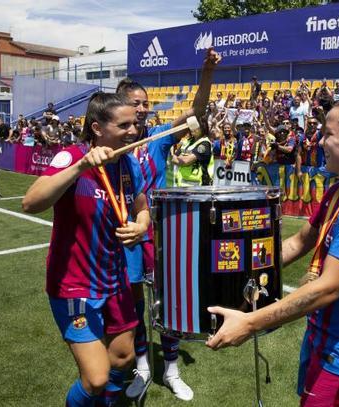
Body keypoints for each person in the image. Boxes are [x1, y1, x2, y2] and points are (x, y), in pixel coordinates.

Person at [206, 97, 339, 406]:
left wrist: (249, 322)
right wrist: (232, 269)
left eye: (329, 134)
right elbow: (297, 243)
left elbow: (327, 288)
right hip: (324, 342)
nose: (320, 140)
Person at [22, 93, 150, 407]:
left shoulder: (128, 163)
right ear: (97, 128)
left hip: (115, 280)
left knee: (123, 357)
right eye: (124, 125)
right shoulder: (71, 156)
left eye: (135, 123)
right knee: (96, 378)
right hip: (74, 285)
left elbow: (142, 205)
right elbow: (30, 202)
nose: (134, 130)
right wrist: (80, 167)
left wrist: (142, 225)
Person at [115, 48, 220, 402]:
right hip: (126, 236)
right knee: (133, 306)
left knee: (169, 302)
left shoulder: (158, 137)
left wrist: (206, 73)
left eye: (145, 103)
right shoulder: (111, 146)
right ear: (120, 105)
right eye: (135, 103)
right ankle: (143, 366)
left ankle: (171, 370)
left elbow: (197, 111)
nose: (143, 108)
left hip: (161, 234)